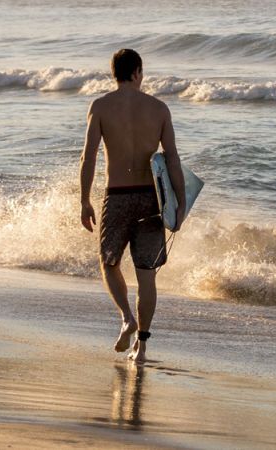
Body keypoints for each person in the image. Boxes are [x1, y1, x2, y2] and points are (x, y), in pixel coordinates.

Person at [78, 48, 186, 363]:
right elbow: (173, 159)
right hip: (150, 198)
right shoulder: (159, 108)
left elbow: (89, 157)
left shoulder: (100, 107)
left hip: (117, 196)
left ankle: (127, 317)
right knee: (147, 275)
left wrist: (84, 200)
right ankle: (142, 346)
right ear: (138, 72)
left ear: (115, 73)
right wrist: (178, 203)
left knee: (109, 263)